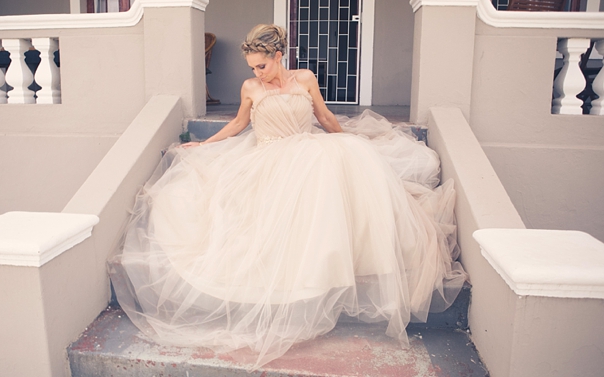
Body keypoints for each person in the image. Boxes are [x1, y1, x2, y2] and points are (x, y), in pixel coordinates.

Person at [108, 24, 467, 370]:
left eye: (262, 65)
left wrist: (350, 140)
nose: (258, 73)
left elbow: (324, 116)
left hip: (308, 148)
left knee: (335, 171)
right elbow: (237, 125)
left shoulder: (306, 79)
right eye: (252, 67)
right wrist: (203, 144)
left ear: (278, 55)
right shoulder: (251, 88)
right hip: (266, 154)